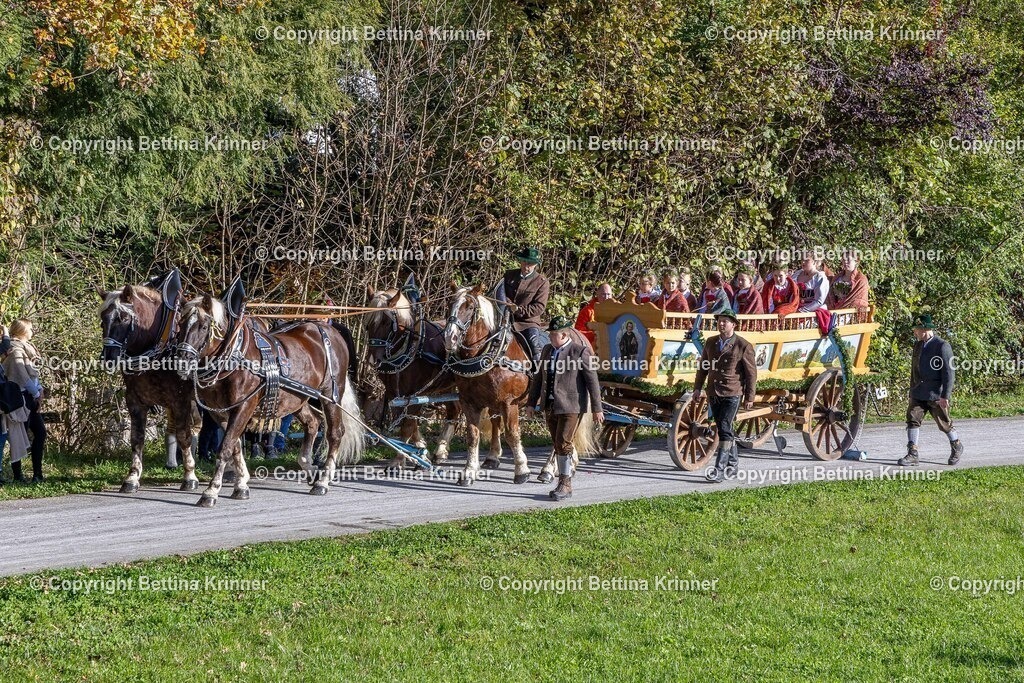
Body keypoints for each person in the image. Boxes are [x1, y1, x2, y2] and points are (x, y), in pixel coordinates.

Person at [525, 316, 604, 501]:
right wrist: (531, 403)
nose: (550, 337)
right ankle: (563, 481)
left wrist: (597, 408)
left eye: (553, 334)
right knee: (557, 443)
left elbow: (593, 382)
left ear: (563, 334)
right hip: (550, 405)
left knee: (563, 442)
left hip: (572, 405)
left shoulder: (580, 352)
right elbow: (538, 379)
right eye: (550, 334)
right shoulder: (547, 351)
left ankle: (565, 484)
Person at [692, 310, 757, 483]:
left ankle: (719, 470)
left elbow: (751, 374)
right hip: (713, 391)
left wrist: (749, 397)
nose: (721, 324)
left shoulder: (743, 345)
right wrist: (697, 388)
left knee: (724, 428)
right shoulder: (711, 342)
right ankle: (733, 464)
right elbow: (703, 367)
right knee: (725, 428)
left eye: (725, 322)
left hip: (732, 393)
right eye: (719, 321)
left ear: (733, 324)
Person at [898, 314, 964, 467]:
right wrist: (911, 391)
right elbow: (914, 370)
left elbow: (949, 372)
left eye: (917, 329)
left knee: (944, 423)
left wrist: (945, 395)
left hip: (935, 393)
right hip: (918, 391)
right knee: (912, 419)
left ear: (925, 329)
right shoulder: (918, 345)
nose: (914, 332)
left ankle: (956, 445)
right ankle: (912, 453)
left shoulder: (942, 345)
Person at [2, 320, 46, 483]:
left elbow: (33, 374)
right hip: (19, 398)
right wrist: (36, 393)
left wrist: (39, 389)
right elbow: (20, 375)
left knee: (40, 433)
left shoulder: (28, 348)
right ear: (22, 330)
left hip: (31, 397)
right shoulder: (14, 350)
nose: (32, 330)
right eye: (30, 328)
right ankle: (18, 476)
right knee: (18, 437)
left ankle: (37, 474)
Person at [500, 246, 551, 367]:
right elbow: (500, 292)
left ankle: (539, 374)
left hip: (528, 322)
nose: (526, 266)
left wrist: (518, 310)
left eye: (530, 263)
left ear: (536, 265)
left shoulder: (542, 282)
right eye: (524, 261)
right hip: (505, 318)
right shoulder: (509, 275)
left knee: (534, 345)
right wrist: (506, 302)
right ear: (520, 261)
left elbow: (539, 307)